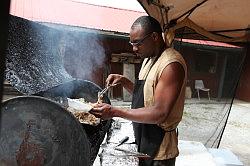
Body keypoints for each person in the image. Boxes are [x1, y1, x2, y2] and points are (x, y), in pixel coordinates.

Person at [90, 16, 187, 166]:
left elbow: (160, 113)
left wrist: (114, 111)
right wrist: (124, 81)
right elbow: (146, 95)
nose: (134, 49)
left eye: (138, 43)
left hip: (160, 147)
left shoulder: (170, 65)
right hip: (144, 135)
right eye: (132, 43)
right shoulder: (149, 59)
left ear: (154, 37)